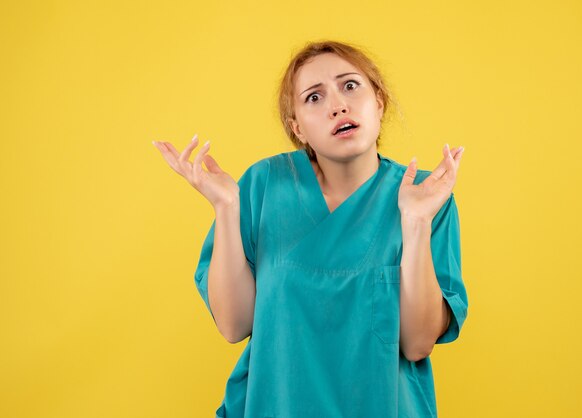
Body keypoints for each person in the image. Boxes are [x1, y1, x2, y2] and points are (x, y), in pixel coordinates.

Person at [153, 40, 468, 418]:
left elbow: (418, 343)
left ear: (379, 103)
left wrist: (415, 224)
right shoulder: (264, 186)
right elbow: (234, 325)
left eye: (350, 85)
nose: (338, 105)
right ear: (297, 127)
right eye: (314, 98)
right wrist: (225, 207)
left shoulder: (424, 199)